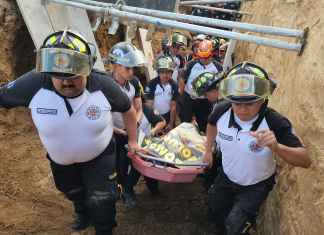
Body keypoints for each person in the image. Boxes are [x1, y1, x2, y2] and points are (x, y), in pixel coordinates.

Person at [0, 30, 140, 235]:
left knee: (103, 200)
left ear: (87, 69)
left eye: (73, 77)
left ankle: (104, 229)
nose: (66, 82)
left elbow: (127, 109)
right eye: (58, 77)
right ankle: (82, 212)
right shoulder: (33, 83)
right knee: (72, 191)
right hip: (61, 160)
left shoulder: (103, 85)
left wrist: (134, 140)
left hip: (100, 156)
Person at [205, 62, 311, 235]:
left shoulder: (274, 122)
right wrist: (208, 149)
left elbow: (305, 160)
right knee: (215, 209)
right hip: (227, 177)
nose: (242, 110)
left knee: (234, 225)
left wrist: (276, 147)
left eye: (250, 103)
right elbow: (211, 124)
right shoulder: (221, 110)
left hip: (256, 186)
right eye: (237, 103)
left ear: (263, 99)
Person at [107, 41, 145, 209]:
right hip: (113, 133)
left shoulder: (135, 83)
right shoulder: (105, 85)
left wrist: (134, 126)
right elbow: (101, 113)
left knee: (138, 162)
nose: (131, 72)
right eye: (127, 68)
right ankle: (122, 189)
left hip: (131, 131)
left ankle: (129, 189)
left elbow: (139, 108)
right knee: (119, 166)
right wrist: (116, 130)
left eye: (133, 68)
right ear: (115, 65)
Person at [179, 39, 223, 132]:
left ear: (211, 54)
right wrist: (182, 96)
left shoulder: (218, 67)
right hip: (189, 99)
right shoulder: (191, 64)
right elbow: (182, 79)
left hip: (205, 101)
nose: (204, 60)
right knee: (185, 122)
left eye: (206, 57)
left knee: (204, 123)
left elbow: (220, 84)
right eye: (201, 57)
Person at [128, 103, 166, 194]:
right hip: (127, 145)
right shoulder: (121, 108)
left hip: (145, 146)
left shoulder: (146, 109)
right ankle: (127, 191)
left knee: (149, 169)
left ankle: (153, 189)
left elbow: (162, 121)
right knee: (131, 170)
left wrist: (153, 131)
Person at [145, 55, 179, 131]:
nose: (165, 75)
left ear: (171, 72)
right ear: (158, 72)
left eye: (168, 72)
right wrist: (155, 120)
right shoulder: (151, 84)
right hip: (155, 116)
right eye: (162, 72)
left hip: (168, 115)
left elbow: (173, 107)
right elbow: (149, 105)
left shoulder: (174, 85)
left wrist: (171, 123)